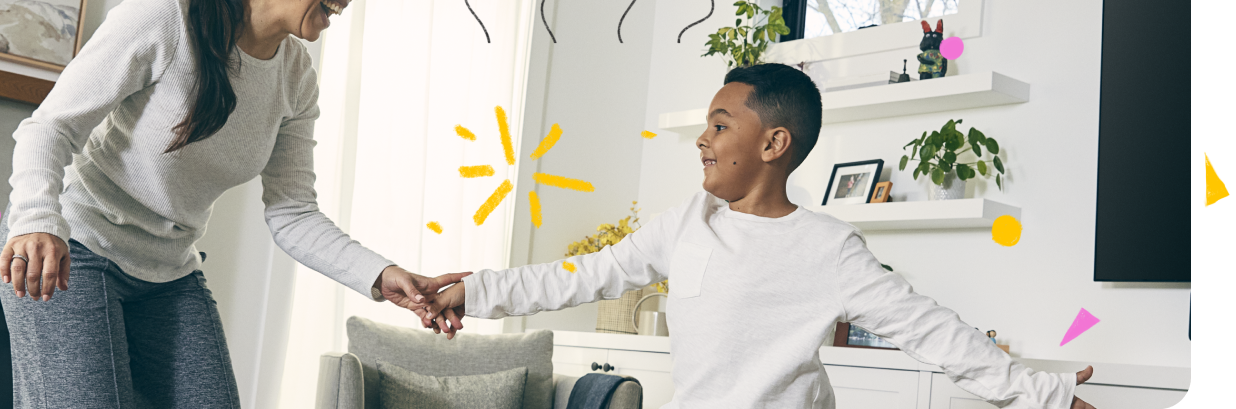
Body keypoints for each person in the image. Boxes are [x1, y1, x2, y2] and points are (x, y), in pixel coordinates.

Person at [0, 0, 467, 409]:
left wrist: (381, 275)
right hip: (72, 248)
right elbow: (50, 127)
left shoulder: (295, 77)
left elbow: (293, 212)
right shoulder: (165, 17)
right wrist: (36, 218)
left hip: (169, 271)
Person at [417, 63, 1098, 409]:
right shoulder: (686, 223)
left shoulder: (827, 248)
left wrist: (1045, 395)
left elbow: (931, 331)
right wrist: (467, 293)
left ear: (774, 142)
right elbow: (576, 277)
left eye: (718, 125)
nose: (701, 140)